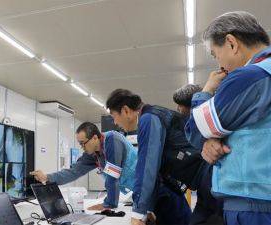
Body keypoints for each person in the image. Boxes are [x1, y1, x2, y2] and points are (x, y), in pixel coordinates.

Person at [184, 11, 271, 225]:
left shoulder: (250, 76)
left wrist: (206, 92)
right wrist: (212, 140)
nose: (220, 65)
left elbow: (195, 129)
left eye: (215, 54)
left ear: (231, 43)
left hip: (254, 204)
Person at [106, 89, 208, 225]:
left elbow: (147, 167)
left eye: (113, 116)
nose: (115, 122)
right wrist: (147, 207)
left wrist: (138, 212)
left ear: (125, 110)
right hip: (189, 183)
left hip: (205, 180)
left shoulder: (148, 119)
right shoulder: (153, 115)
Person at [31, 122, 138, 211]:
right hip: (132, 189)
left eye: (83, 143)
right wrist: (47, 177)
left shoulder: (112, 140)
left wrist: (108, 204)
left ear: (95, 137)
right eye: (80, 144)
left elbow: (113, 175)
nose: (82, 147)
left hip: (145, 184)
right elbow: (74, 172)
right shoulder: (92, 153)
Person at [174, 85, 224, 225]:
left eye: (180, 106)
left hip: (217, 196)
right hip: (204, 193)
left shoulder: (208, 130)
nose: (178, 110)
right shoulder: (186, 130)